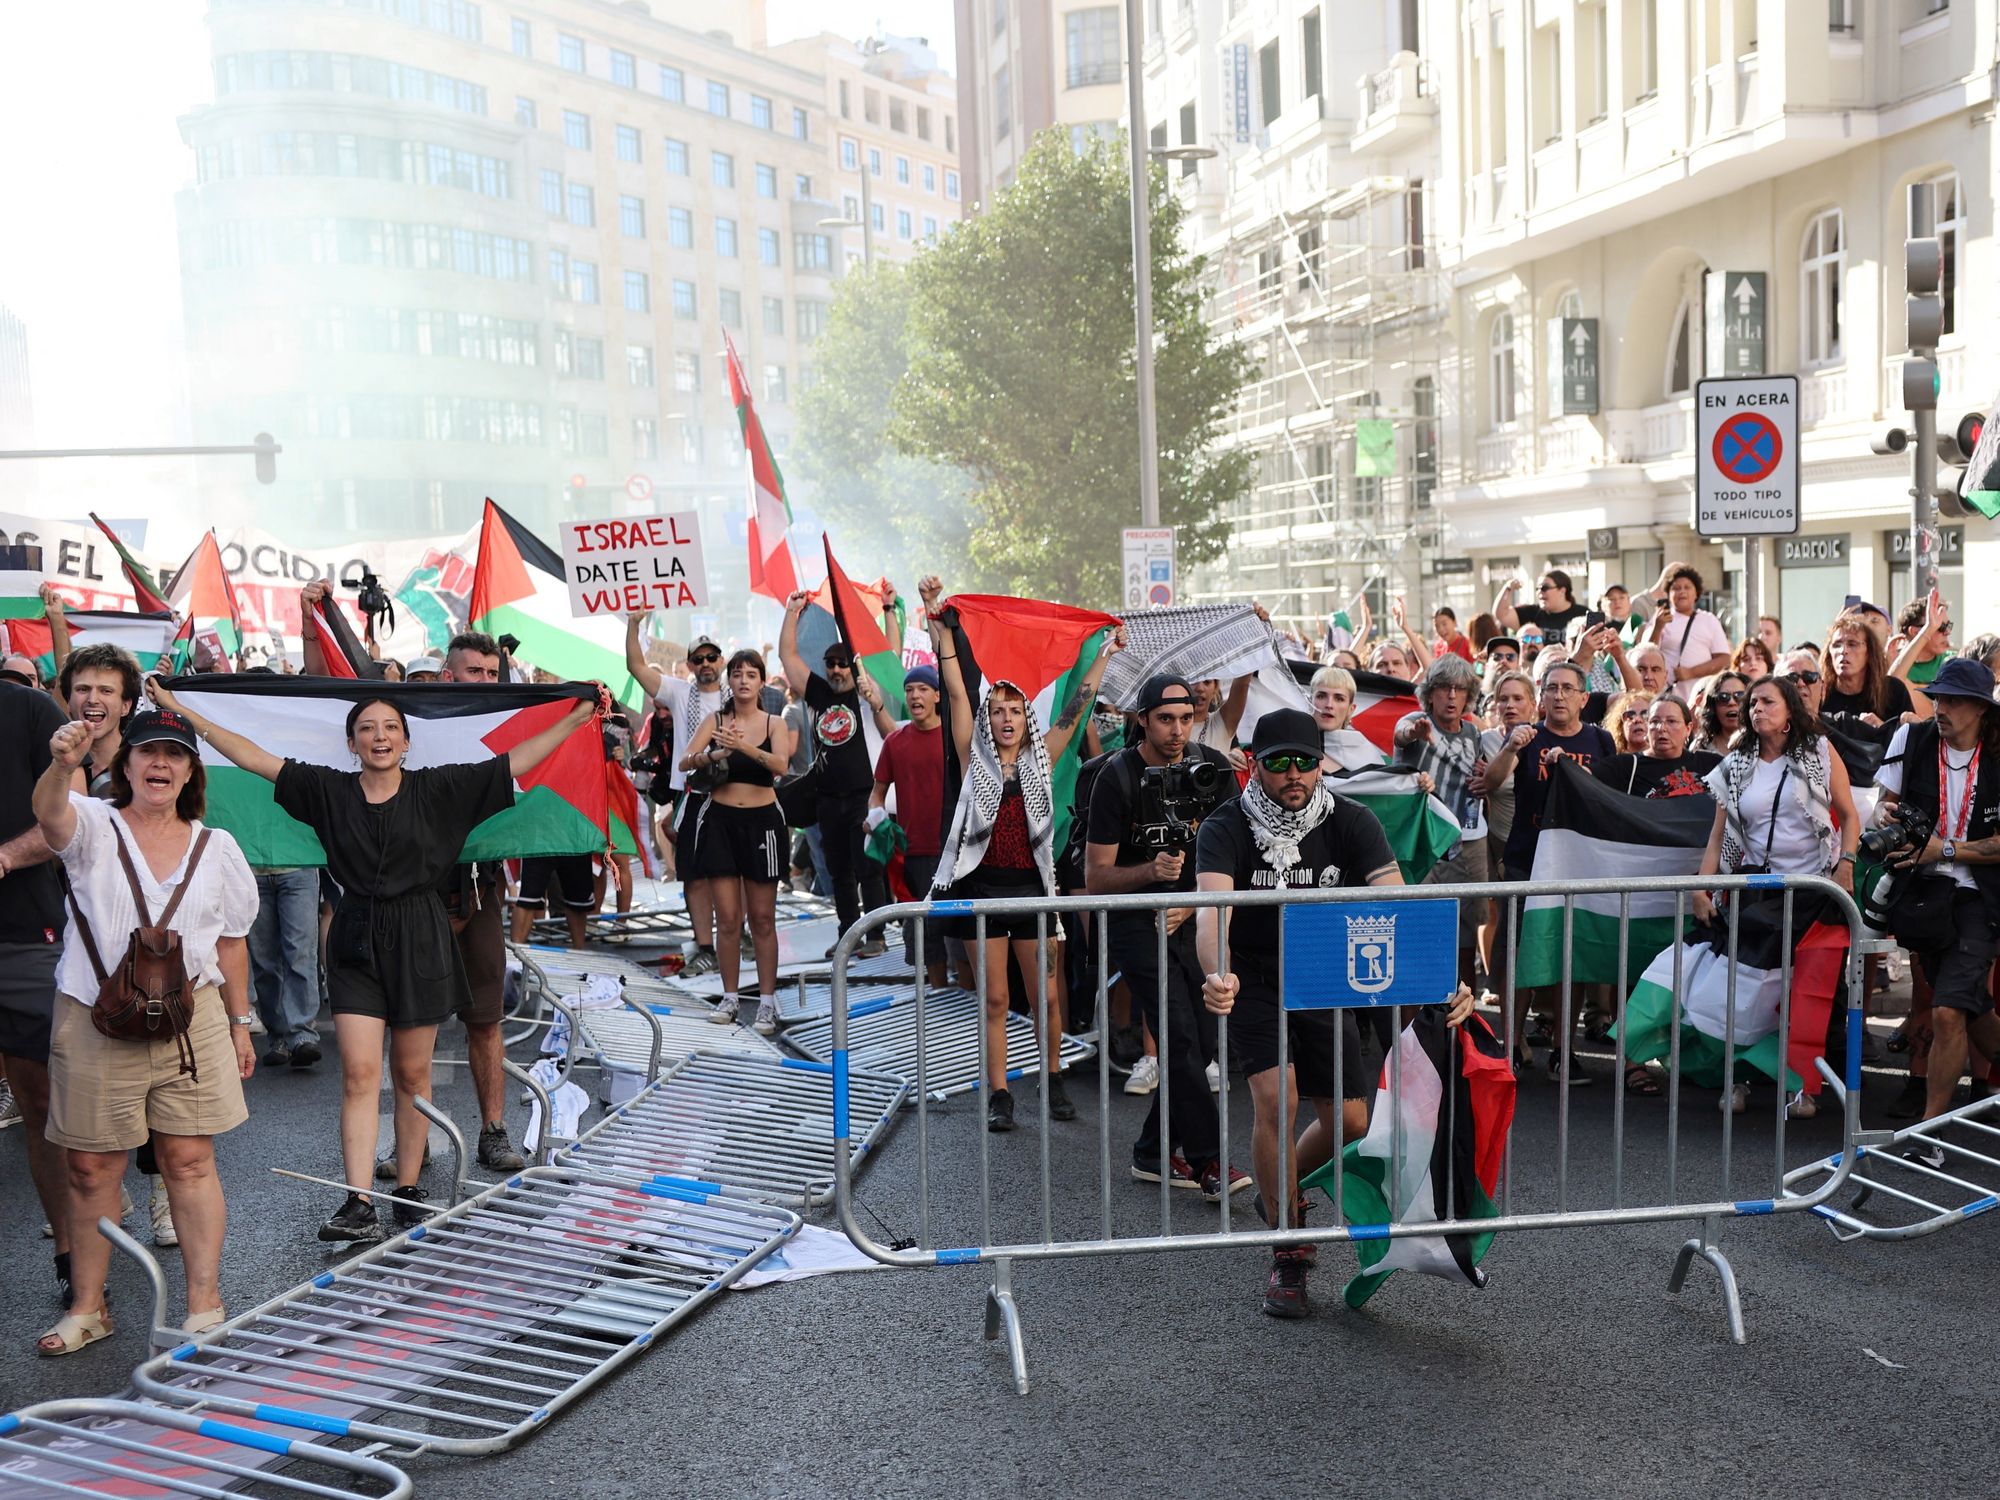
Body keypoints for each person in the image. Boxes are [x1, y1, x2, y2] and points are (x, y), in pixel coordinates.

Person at [147, 679, 593, 1242]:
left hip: (422, 935)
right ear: (352, 743)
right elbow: (252, 755)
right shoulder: (326, 789)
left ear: (406, 741)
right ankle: (357, 1202)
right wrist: (180, 709)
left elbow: (512, 762)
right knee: (359, 1074)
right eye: (366, 729)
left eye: (389, 728)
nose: (379, 737)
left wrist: (575, 720)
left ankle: (407, 1192)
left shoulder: (442, 788)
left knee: (411, 1074)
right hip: (356, 934)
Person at [1196, 706, 1473, 1318]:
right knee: (1277, 1101)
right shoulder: (1225, 826)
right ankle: (1288, 1249)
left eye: (1305, 761)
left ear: (1322, 763)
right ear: (1255, 766)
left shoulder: (1351, 820)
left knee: (1349, 1122)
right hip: (1255, 979)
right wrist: (1218, 973)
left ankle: (1280, 1192)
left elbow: (1396, 906)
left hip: (1326, 974)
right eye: (1278, 764)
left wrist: (1444, 980)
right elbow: (1213, 913)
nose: (1294, 774)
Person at [31, 708, 258, 1353]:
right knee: (89, 1166)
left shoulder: (219, 848)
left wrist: (242, 1026)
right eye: (148, 753)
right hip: (93, 1015)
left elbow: (234, 944)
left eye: (175, 755)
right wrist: (61, 765)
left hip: (195, 1023)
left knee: (189, 1160)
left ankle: (204, 1305)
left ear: (191, 771)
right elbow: (50, 815)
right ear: (125, 764)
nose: (161, 764)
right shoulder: (93, 824)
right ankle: (89, 1308)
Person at [922, 576, 1122, 1131]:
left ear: (1024, 718)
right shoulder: (971, 756)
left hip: (1036, 891)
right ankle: (1000, 1094)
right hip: (980, 890)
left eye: (1015, 709)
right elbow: (958, 691)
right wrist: (940, 628)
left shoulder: (1043, 757)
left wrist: (1101, 657)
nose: (1006, 718)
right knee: (994, 1001)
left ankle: (1054, 1081)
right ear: (988, 719)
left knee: (1047, 1001)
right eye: (999, 710)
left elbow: (1076, 709)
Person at [1085, 674, 1245, 1201]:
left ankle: (1153, 1152)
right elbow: (1097, 877)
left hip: (1195, 915)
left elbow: (1232, 858)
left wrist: (1191, 901)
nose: (1178, 730)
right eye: (1165, 719)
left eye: (1186, 718)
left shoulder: (1214, 768)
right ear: (1141, 720)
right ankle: (1208, 1161)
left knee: (1195, 1044)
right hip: (1136, 919)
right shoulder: (1117, 776)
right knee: (1176, 1035)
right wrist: (1151, 875)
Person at [1689, 674, 1858, 1114]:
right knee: (1747, 991)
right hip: (1756, 890)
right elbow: (1717, 837)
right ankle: (1738, 1079)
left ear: (1789, 715)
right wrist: (1701, 888)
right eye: (1752, 703)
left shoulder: (1819, 752)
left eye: (1767, 701)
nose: (1755, 708)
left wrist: (1847, 864)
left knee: (1809, 991)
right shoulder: (1735, 764)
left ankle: (1800, 1086)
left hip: (1816, 889)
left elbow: (1848, 815)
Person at [1869, 656, 2000, 1148]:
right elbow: (1883, 803)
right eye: (1938, 697)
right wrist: (1885, 814)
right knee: (1973, 1010)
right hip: (1922, 894)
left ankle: (1930, 1131)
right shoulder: (1912, 738)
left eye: (1954, 700)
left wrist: (1944, 848)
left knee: (1947, 1012)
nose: (1940, 707)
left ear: (1982, 709)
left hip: (1981, 898)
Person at [1482, 660, 1616, 1080]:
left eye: (1566, 689)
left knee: (1569, 957)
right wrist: (1510, 748)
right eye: (1551, 688)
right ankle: (1511, 1045)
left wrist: (1574, 769)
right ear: (1541, 696)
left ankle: (1563, 1050)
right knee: (1520, 952)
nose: (1558, 696)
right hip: (1528, 860)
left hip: (1579, 864)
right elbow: (1491, 783)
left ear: (1583, 698)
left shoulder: (1601, 739)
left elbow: (1611, 795)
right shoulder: (1527, 736)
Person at [434, 629, 531, 1174]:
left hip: (481, 884)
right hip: (423, 887)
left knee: (486, 1017)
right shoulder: (415, 727)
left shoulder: (504, 727)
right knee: (414, 1022)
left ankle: (493, 1131)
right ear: (449, 676)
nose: (486, 683)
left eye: (492, 674)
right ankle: (411, 1140)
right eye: (475, 673)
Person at [1, 673, 76, 1311]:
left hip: (25, 936)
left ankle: (73, 1259)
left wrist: (1, 858)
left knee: (42, 1101)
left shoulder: (26, 707)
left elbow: (64, 814)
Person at [780, 595, 899, 953]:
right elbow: (789, 657)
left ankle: (876, 937)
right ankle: (849, 936)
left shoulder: (866, 692)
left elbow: (889, 655)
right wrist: (791, 612)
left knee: (869, 870)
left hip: (865, 795)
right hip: (828, 798)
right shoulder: (818, 692)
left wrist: (890, 610)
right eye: (830, 663)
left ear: (854, 666)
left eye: (842, 664)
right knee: (839, 874)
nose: (835, 670)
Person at [684, 650, 794, 1034]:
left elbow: (781, 765)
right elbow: (685, 760)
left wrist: (743, 747)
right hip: (720, 821)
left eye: (752, 674)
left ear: (763, 681)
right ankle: (729, 998)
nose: (744, 680)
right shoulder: (715, 720)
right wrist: (715, 752)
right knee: (728, 919)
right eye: (738, 674)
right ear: (729, 681)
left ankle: (766, 1003)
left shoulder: (775, 722)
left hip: (763, 822)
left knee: (762, 918)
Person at [624, 617, 726, 973]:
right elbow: (636, 666)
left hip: (736, 795)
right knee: (694, 876)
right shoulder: (681, 692)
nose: (705, 664)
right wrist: (634, 625)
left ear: (722, 661)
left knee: (735, 875)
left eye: (711, 656)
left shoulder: (740, 693)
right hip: (694, 793)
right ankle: (704, 945)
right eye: (698, 659)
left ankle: (734, 937)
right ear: (689, 665)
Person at [1393, 653, 1487, 990]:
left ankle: (1464, 1011)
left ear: (1468, 696)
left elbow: (1478, 779)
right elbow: (1403, 734)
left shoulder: (1474, 734)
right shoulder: (1415, 720)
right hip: (1420, 841)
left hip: (1462, 841)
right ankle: (1416, 1004)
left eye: (1459, 689)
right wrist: (1415, 732)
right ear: (1430, 692)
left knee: (1465, 929)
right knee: (1418, 925)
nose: (1451, 696)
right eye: (1444, 688)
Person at [869, 663, 949, 984]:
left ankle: (967, 1007)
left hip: (954, 853)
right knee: (925, 940)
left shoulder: (956, 738)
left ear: (938, 695)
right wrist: (874, 819)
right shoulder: (895, 741)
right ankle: (939, 1004)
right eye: (909, 690)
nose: (915, 695)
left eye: (923, 689)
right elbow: (876, 795)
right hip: (912, 854)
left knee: (959, 937)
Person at [1592, 695, 1720, 799]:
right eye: (1655, 722)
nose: (1661, 728)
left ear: (1688, 728)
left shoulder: (1710, 764)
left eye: (1671, 721)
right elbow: (1580, 777)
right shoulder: (1626, 766)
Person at [1643, 563, 1732, 698]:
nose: (1682, 592)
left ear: (1696, 593)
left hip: (1702, 696)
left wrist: (1691, 673)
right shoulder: (1660, 619)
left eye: (1687, 587)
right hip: (1669, 696)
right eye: (1676, 588)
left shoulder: (1709, 620)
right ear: (1668, 594)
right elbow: (1647, 652)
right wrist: (1658, 627)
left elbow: (1724, 659)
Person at [1821, 610, 1913, 729]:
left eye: (1852, 644)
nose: (1843, 651)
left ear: (1869, 652)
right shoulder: (1820, 693)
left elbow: (1910, 739)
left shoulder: (1893, 690)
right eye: (1837, 645)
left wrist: (1882, 729)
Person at [1494, 569, 1587, 640]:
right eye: (1537, 589)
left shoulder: (1582, 614)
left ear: (1562, 591)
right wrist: (1508, 588)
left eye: (1544, 588)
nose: (1539, 592)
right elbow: (1501, 614)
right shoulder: (1532, 613)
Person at [1692, 670, 1751, 753]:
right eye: (1723, 697)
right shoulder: (1700, 748)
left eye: (1739, 695)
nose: (1731, 702)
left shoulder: (1762, 745)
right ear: (1713, 706)